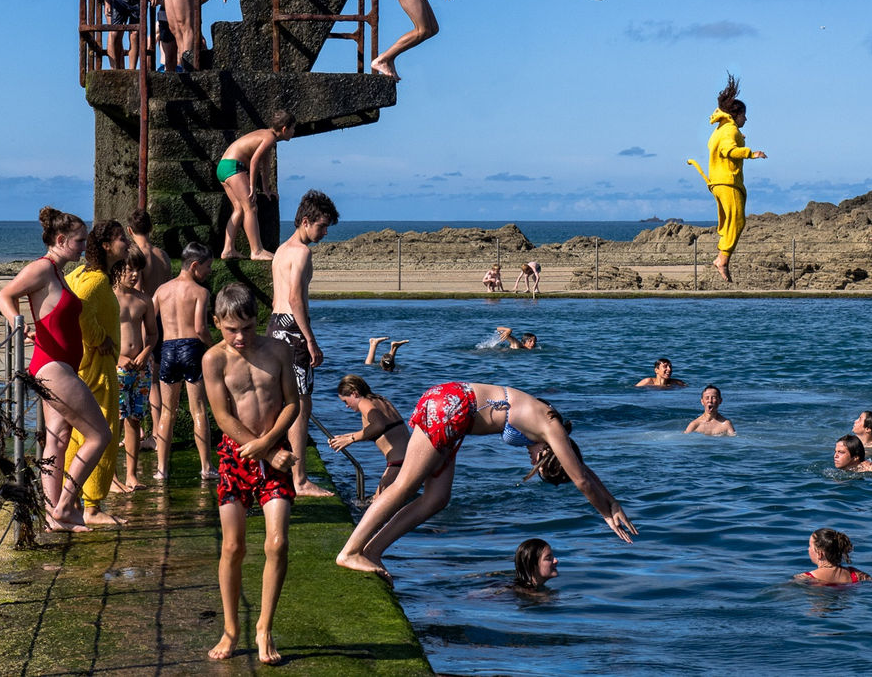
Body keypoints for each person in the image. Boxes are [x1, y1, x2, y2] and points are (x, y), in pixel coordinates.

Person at [336, 383, 636, 583]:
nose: (530, 460)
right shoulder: (549, 425)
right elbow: (581, 479)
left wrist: (613, 501)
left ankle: (372, 551)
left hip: (453, 415)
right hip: (450, 407)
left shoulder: (554, 437)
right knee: (404, 486)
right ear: (548, 454)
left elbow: (581, 467)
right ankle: (350, 552)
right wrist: (605, 514)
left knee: (437, 498)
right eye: (536, 463)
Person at [0, 207, 111, 532]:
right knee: (99, 435)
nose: (84, 247)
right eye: (79, 241)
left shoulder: (58, 273)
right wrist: (18, 325)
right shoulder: (42, 269)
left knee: (57, 440)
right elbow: (4, 295)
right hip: (52, 366)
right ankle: (64, 506)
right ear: (60, 240)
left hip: (59, 365)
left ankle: (52, 514)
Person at [201, 283, 300, 665]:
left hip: (274, 452)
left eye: (247, 327)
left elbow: (292, 403)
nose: (240, 336)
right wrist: (258, 448)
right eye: (230, 329)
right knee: (233, 546)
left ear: (257, 321)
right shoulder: (214, 360)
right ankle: (230, 629)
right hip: (235, 455)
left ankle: (264, 628)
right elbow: (222, 416)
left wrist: (272, 445)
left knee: (277, 543)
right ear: (217, 324)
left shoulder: (277, 349)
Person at [269, 190, 340, 496]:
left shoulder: (281, 250)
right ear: (306, 221)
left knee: (283, 401)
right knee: (300, 404)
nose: (324, 233)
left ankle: (278, 465)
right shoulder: (301, 253)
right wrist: (311, 340)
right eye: (322, 226)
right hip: (293, 329)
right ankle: (300, 480)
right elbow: (296, 299)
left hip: (275, 325)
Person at [60, 219, 129, 526]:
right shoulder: (97, 280)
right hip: (96, 367)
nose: (126, 244)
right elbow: (81, 306)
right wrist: (99, 338)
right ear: (105, 246)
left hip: (81, 364)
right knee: (104, 432)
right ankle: (92, 507)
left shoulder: (79, 273)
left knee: (77, 433)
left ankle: (73, 499)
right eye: (120, 239)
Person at [687, 74, 767, 282]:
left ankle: (722, 256)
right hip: (727, 181)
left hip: (719, 181)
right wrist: (751, 153)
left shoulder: (721, 129)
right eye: (744, 116)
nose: (746, 120)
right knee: (738, 221)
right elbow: (728, 150)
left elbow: (723, 146)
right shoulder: (730, 129)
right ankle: (722, 260)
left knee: (730, 221)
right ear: (737, 114)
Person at [151, 242, 216, 482]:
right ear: (195, 265)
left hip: (168, 349)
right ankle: (206, 467)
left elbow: (148, 320)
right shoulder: (200, 292)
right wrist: (214, 345)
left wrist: (150, 345)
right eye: (207, 267)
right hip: (191, 348)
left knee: (168, 412)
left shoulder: (162, 290)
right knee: (198, 410)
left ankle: (161, 470)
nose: (209, 271)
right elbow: (200, 328)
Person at [216, 111, 295, 262]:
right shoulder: (269, 138)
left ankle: (228, 250)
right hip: (234, 167)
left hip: (223, 167)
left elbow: (265, 167)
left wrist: (266, 189)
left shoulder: (267, 136)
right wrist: (252, 187)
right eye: (293, 129)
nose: (294, 132)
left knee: (238, 209)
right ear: (284, 129)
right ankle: (256, 251)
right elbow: (254, 162)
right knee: (251, 207)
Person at [109, 253, 159, 492]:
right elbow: (99, 334)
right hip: (115, 366)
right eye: (129, 269)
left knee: (135, 419)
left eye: (137, 270)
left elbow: (152, 333)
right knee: (114, 422)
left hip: (140, 369)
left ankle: (131, 474)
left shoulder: (144, 300)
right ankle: (112, 475)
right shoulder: (108, 297)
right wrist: (117, 357)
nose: (134, 274)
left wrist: (146, 353)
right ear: (117, 269)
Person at [126, 209, 171, 451]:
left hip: (147, 320)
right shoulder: (163, 255)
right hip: (165, 321)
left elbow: (139, 292)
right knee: (155, 380)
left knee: (149, 381)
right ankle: (144, 431)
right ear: (151, 228)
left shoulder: (137, 256)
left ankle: (152, 433)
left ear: (130, 231)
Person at [329, 374, 409, 497]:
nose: (346, 405)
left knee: (376, 504)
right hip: (410, 459)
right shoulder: (380, 400)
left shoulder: (364, 403)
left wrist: (351, 439)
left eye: (346, 401)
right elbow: (375, 431)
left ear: (354, 393)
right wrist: (344, 438)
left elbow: (379, 426)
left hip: (398, 463)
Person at [795, 528, 871, 586]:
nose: (808, 549)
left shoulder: (805, 578)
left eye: (810, 546)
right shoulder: (857, 575)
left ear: (819, 553)